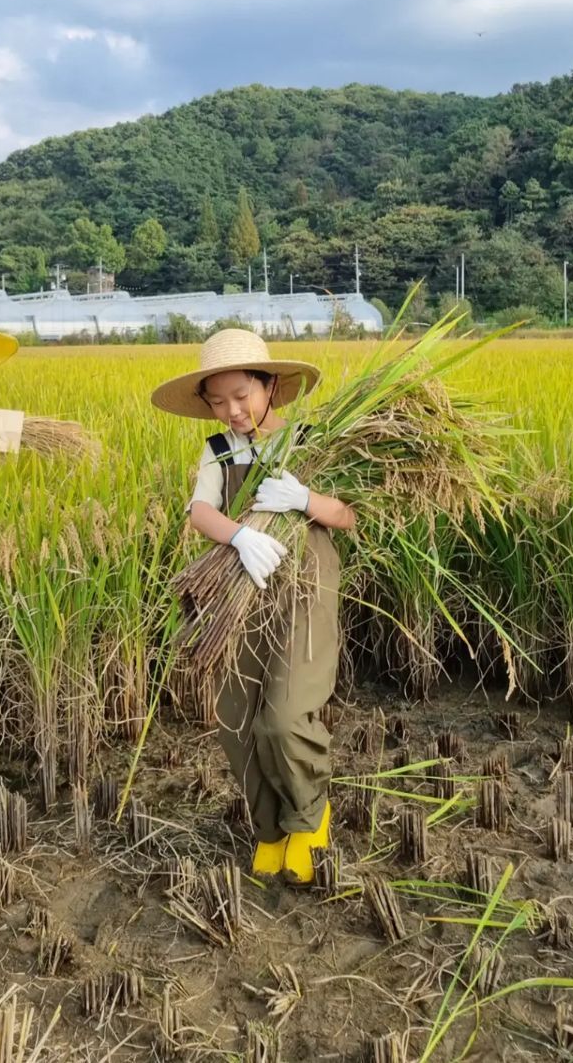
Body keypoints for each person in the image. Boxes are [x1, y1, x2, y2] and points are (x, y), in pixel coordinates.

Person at [152, 329, 355, 884]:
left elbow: (347, 515)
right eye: (218, 402)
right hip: (239, 588)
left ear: (270, 385)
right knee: (236, 720)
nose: (232, 410)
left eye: (241, 394)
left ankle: (310, 820)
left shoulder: (313, 440)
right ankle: (269, 830)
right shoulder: (220, 451)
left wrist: (304, 499)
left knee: (285, 718)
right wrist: (239, 537)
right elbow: (200, 512)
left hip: (306, 586)